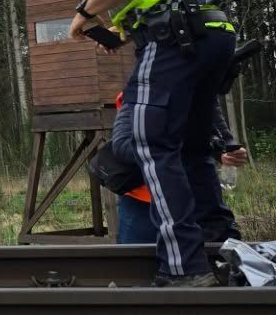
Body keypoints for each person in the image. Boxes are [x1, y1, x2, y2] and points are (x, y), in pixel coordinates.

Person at [67, 0, 236, 286]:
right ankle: (224, 247)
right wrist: (124, 30)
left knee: (151, 143)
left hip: (175, 38)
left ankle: (185, 267)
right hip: (214, 33)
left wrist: (84, 14)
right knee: (194, 146)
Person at [105, 89, 246, 243]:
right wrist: (170, 149)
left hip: (191, 197)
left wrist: (225, 151)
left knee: (202, 258)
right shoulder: (139, 92)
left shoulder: (200, 90)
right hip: (144, 200)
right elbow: (122, 145)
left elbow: (216, 128)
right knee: (138, 261)